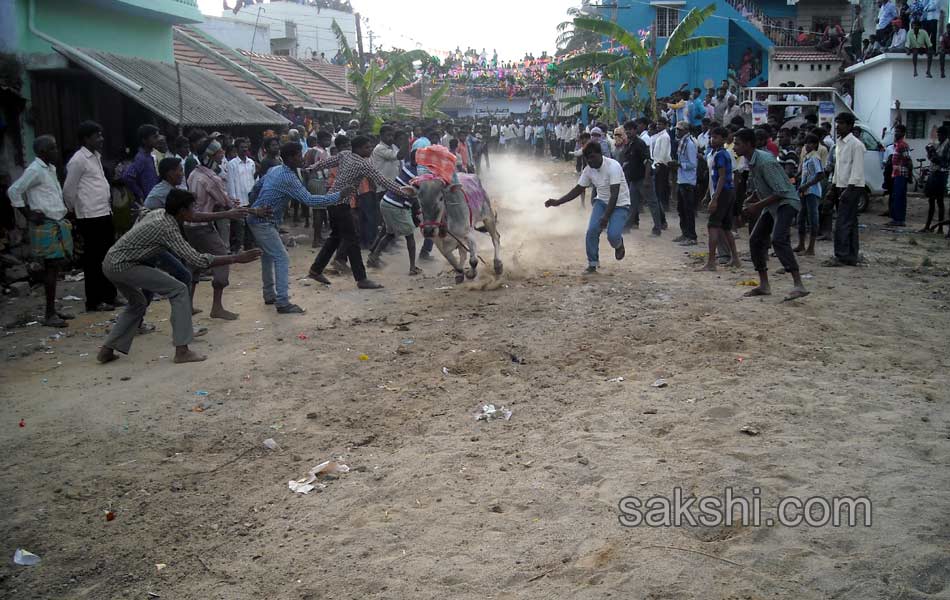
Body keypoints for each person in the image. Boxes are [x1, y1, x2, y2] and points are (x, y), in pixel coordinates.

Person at [97, 190, 262, 365]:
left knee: (138, 303)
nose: (195, 211)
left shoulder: (160, 213)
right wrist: (236, 258)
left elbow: (147, 212)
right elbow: (197, 259)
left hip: (111, 262)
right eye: (193, 208)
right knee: (178, 290)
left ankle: (107, 350)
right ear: (182, 211)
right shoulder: (167, 227)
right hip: (124, 266)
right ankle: (182, 350)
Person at [305, 135, 417, 289]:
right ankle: (361, 279)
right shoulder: (363, 164)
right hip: (341, 203)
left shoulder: (345, 155)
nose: (370, 149)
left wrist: (311, 168)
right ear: (357, 148)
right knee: (352, 240)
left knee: (336, 237)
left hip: (331, 200)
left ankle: (316, 269)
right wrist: (403, 192)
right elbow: (382, 181)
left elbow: (326, 162)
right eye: (367, 147)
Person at [247, 142, 344, 313]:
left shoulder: (275, 170)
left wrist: (254, 207)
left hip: (259, 219)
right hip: (263, 222)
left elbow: (255, 189)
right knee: (281, 257)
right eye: (299, 155)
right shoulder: (288, 177)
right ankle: (282, 302)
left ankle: (270, 294)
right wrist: (339, 195)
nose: (303, 158)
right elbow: (310, 200)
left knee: (268, 257)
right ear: (291, 158)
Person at [732, 129, 810, 300]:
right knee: (755, 239)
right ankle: (764, 284)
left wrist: (756, 206)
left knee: (778, 239)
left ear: (748, 144)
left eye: (737, 143)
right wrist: (752, 198)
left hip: (786, 202)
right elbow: (764, 186)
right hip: (773, 203)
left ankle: (798, 284)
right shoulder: (751, 160)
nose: (734, 147)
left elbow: (781, 191)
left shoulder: (765, 161)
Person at [7, 135, 74, 327]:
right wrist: (27, 214)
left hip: (55, 222)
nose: (56, 151)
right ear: (43, 151)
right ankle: (49, 314)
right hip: (45, 224)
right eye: (52, 148)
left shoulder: (49, 169)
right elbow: (14, 191)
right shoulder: (35, 170)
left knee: (54, 267)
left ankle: (52, 310)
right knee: (50, 268)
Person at [545, 141, 631, 274]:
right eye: (587, 158)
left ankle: (619, 245)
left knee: (612, 235)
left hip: (620, 203)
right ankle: (592, 263)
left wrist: (606, 217)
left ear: (600, 154)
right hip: (601, 202)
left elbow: (614, 194)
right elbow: (578, 189)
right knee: (591, 231)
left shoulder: (613, 166)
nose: (590, 161)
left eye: (592, 157)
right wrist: (558, 202)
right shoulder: (588, 170)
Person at [62, 121, 119, 313]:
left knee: (108, 256)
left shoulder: (95, 157)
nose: (101, 139)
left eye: (101, 135)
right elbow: (69, 190)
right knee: (94, 260)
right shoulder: (78, 160)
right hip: (89, 216)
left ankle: (110, 296)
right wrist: (74, 211)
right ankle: (94, 301)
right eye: (97, 136)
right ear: (86, 139)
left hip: (103, 212)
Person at [186, 139, 240, 319]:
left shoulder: (194, 173)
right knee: (222, 259)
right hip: (203, 226)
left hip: (189, 226)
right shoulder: (211, 178)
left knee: (194, 263)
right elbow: (225, 203)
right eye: (218, 151)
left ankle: (188, 305)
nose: (222, 153)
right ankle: (217, 307)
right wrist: (233, 204)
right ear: (210, 156)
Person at [367, 147, 423, 275]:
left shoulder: (408, 167)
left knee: (390, 233)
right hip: (396, 205)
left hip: (387, 202)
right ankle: (412, 267)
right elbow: (415, 193)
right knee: (409, 236)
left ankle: (373, 258)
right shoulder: (416, 173)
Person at [698, 127, 741, 270]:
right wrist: (707, 194)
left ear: (723, 139)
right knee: (726, 227)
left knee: (713, 226)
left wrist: (715, 198)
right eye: (711, 137)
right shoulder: (713, 153)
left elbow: (722, 177)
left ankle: (711, 262)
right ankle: (735, 259)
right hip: (723, 191)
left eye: (715, 137)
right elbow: (713, 177)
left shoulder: (721, 154)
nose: (712, 139)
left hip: (723, 192)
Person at [826, 112, 865, 266]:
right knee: (850, 222)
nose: (838, 126)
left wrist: (848, 189)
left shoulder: (856, 145)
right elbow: (838, 168)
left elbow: (857, 170)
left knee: (843, 222)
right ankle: (850, 255)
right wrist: (833, 187)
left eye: (841, 123)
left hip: (852, 187)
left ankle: (841, 256)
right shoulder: (839, 144)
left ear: (849, 125)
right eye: (837, 123)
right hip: (841, 185)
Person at [623, 119, 663, 235]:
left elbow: (648, 161)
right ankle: (626, 227)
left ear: (635, 130)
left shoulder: (639, 144)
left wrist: (646, 179)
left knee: (652, 203)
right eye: (626, 130)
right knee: (632, 204)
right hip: (634, 180)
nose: (628, 132)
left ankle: (657, 229)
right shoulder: (630, 144)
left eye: (630, 129)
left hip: (643, 178)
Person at [226, 137, 257, 253]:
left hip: (250, 198)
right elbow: (231, 183)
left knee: (250, 223)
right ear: (237, 149)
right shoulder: (232, 164)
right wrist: (234, 200)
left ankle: (249, 245)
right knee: (240, 225)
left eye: (246, 147)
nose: (245, 149)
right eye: (242, 147)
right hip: (239, 199)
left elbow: (255, 180)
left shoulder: (251, 162)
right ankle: (238, 247)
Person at [795, 134, 824, 255]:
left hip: (812, 191)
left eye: (810, 143)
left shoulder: (814, 158)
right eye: (806, 143)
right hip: (804, 191)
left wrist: (806, 185)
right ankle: (801, 244)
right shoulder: (807, 158)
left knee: (813, 219)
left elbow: (820, 175)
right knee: (801, 217)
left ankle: (811, 248)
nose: (807, 145)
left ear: (815, 145)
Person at [672, 121, 699, 246]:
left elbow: (693, 164)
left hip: (688, 181)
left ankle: (692, 236)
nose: (677, 132)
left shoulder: (689, 144)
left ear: (686, 130)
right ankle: (685, 233)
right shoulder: (682, 143)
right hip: (682, 179)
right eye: (677, 129)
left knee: (688, 210)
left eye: (679, 130)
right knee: (681, 209)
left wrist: (679, 164)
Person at [122, 124, 161, 204]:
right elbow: (127, 176)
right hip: (146, 200)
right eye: (155, 137)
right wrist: (140, 194)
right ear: (144, 140)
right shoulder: (141, 158)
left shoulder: (150, 156)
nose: (158, 139)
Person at [921, 126, 949, 234]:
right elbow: (932, 158)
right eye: (938, 134)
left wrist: (933, 154)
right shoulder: (939, 144)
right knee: (931, 200)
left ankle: (940, 228)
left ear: (945, 135)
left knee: (940, 201)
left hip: (941, 175)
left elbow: (943, 162)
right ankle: (928, 226)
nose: (938, 136)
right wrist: (929, 152)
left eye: (940, 134)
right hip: (933, 173)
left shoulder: (947, 145)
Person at [887, 124, 912, 226]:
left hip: (902, 174)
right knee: (896, 196)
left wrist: (909, 175)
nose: (896, 133)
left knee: (899, 197)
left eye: (898, 131)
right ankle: (896, 219)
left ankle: (899, 219)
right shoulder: (897, 144)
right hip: (896, 174)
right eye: (896, 131)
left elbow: (908, 161)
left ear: (903, 133)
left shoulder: (903, 145)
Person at [652, 117, 673, 218]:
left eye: (660, 124)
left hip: (661, 166)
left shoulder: (665, 136)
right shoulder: (660, 136)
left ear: (665, 125)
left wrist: (658, 164)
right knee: (657, 191)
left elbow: (663, 153)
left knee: (659, 192)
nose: (658, 126)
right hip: (658, 164)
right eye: (657, 124)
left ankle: (662, 217)